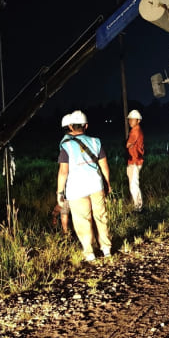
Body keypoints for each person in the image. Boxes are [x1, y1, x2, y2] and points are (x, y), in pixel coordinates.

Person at [57, 110, 112, 262]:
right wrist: (107, 183)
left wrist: (59, 192)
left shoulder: (66, 146)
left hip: (77, 189)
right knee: (101, 217)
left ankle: (90, 253)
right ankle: (106, 249)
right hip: (96, 185)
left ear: (70, 126)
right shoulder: (96, 142)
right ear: (86, 126)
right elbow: (104, 165)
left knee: (83, 220)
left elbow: (63, 172)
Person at [125, 109, 145, 211]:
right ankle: (138, 205)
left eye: (132, 120)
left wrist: (128, 144)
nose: (130, 121)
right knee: (134, 183)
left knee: (133, 184)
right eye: (130, 120)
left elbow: (128, 144)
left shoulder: (135, 131)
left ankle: (138, 207)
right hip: (136, 159)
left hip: (134, 160)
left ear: (138, 120)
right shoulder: (139, 130)